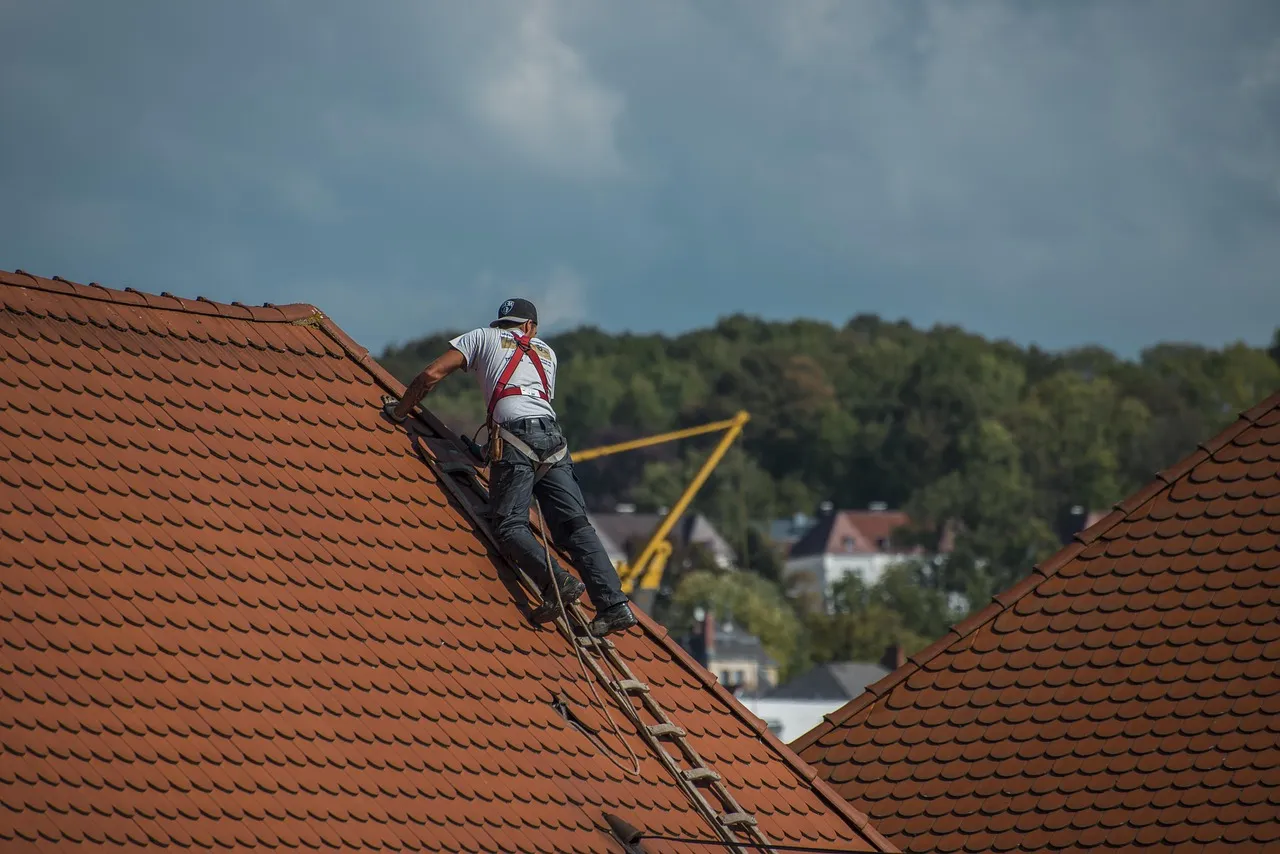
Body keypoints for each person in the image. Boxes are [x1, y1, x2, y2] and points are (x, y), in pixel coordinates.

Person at [384, 298, 638, 637]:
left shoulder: (481, 337)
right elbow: (529, 402)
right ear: (531, 327)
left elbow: (432, 374)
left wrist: (400, 411)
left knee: (508, 525)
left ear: (504, 324)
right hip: (554, 442)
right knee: (575, 527)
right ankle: (614, 605)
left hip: (515, 437)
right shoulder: (548, 353)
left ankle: (557, 583)